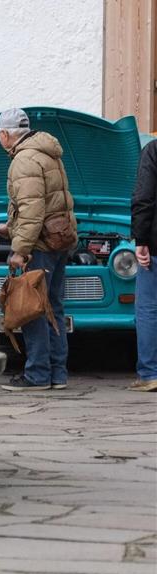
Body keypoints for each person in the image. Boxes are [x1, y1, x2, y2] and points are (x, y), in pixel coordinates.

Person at [0, 108, 77, 391]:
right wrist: (10, 225)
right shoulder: (47, 152)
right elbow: (43, 203)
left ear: (5, 134)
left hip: (39, 245)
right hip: (59, 240)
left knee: (33, 308)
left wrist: (19, 248)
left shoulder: (23, 160)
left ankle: (38, 374)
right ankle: (57, 373)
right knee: (54, 306)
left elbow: (32, 210)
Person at [130, 139, 157, 391]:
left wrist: (141, 240)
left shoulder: (153, 150)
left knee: (148, 309)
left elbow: (144, 197)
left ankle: (150, 373)